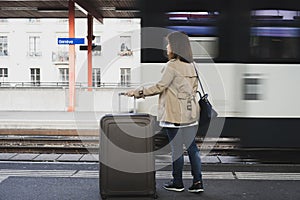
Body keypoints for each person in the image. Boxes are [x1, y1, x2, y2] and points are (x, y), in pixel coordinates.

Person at [125, 31, 204, 193]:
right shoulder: (192, 65)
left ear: (175, 46)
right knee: (192, 148)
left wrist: (138, 92)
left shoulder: (172, 65)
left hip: (174, 114)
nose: (167, 47)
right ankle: (198, 183)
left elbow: (160, 87)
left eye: (168, 44)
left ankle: (178, 182)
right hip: (191, 114)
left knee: (176, 149)